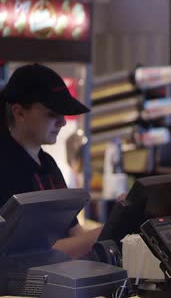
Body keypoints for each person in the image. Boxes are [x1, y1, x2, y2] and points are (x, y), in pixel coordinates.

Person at [0, 63, 100, 259]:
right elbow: (28, 256)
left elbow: (74, 233)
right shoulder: (5, 169)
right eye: (52, 114)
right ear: (19, 112)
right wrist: (96, 237)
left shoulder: (48, 164)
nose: (62, 122)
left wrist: (116, 224)